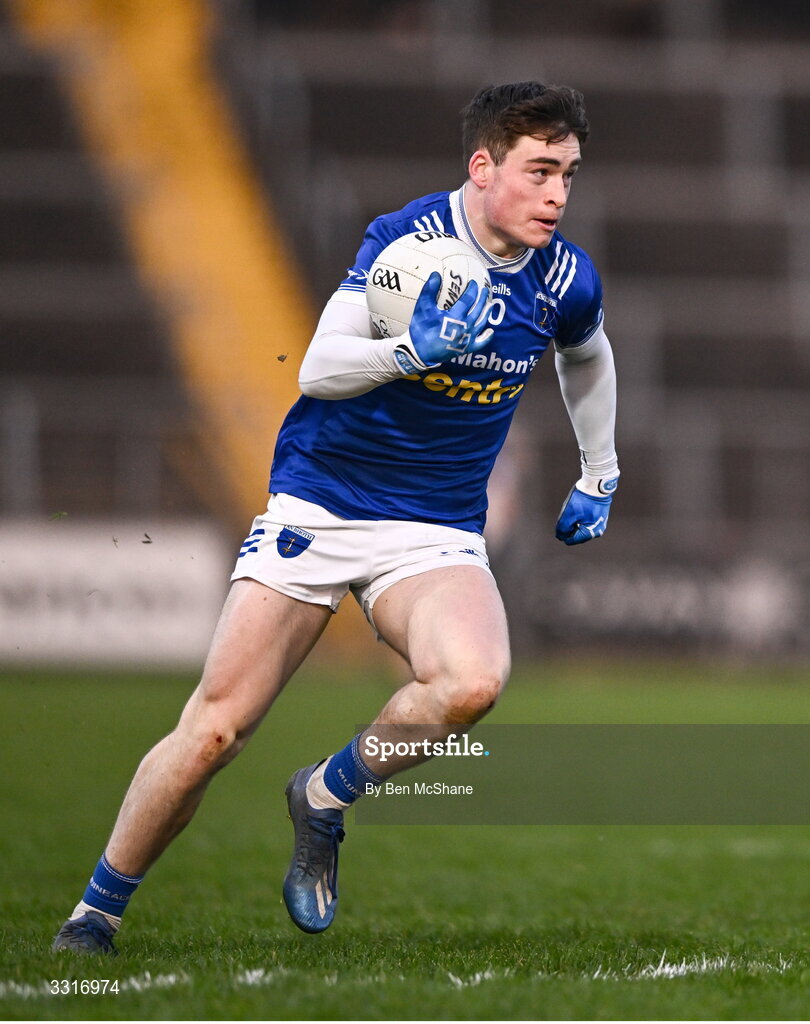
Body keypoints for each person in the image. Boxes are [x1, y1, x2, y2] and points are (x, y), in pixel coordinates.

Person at [52, 81, 619, 953]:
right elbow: (318, 369)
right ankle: (95, 912)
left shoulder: (563, 277)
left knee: (471, 684)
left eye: (569, 176)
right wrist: (408, 351)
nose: (557, 195)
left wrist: (599, 471)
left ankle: (322, 796)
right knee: (215, 730)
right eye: (540, 171)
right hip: (322, 504)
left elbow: (586, 355)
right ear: (483, 165)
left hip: (433, 529)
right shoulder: (408, 244)